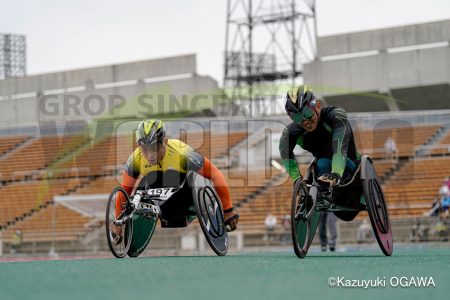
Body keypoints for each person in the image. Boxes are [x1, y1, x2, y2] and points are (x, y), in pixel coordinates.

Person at [113, 119, 239, 243]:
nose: (150, 154)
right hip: (165, 204)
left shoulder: (182, 153)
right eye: (144, 148)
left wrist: (228, 209)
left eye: (155, 147)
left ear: (165, 142)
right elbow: (125, 190)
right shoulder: (136, 158)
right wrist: (118, 222)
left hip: (187, 194)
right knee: (149, 180)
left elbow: (215, 174)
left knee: (171, 174)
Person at [279, 85, 360, 220]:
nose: (305, 121)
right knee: (321, 164)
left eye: (306, 114)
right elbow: (286, 156)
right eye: (298, 118)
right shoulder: (290, 133)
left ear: (317, 106)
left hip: (351, 168)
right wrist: (297, 181)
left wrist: (336, 173)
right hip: (324, 171)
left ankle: (332, 179)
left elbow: (339, 148)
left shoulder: (336, 115)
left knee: (324, 162)